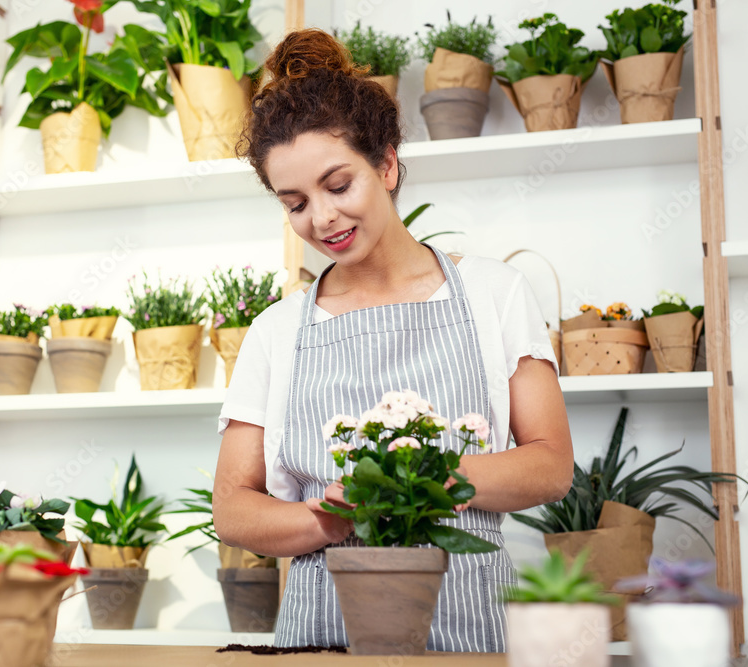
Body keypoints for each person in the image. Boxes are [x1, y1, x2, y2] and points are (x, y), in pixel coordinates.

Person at [212, 28, 573, 652]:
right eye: (294, 202)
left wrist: (417, 482)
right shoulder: (275, 332)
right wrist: (330, 516)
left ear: (386, 162)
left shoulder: (496, 293)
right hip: (323, 633)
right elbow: (233, 510)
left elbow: (550, 465)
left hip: (469, 630)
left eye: (337, 184)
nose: (321, 219)